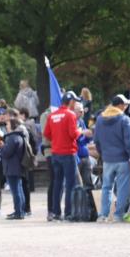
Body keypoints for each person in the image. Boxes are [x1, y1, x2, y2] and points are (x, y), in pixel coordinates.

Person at [94, 94, 130, 222]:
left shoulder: (100, 119)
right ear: (119, 105)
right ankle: (118, 215)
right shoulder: (124, 119)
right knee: (123, 187)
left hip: (108, 159)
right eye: (124, 104)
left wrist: (103, 154)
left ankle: (103, 214)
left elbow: (96, 140)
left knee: (106, 187)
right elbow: (129, 142)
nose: (125, 107)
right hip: (123, 159)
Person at [43, 91, 81, 221]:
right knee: (70, 184)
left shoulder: (52, 115)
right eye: (75, 101)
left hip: (55, 153)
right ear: (70, 102)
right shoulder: (70, 115)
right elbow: (73, 134)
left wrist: (57, 139)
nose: (75, 103)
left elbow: (46, 134)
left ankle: (56, 213)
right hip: (68, 153)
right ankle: (68, 213)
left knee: (57, 183)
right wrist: (79, 131)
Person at [0, 118, 28, 220]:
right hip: (17, 167)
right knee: (19, 190)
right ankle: (20, 211)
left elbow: (6, 153)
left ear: (12, 126)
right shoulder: (19, 136)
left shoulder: (12, 138)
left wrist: (1, 147)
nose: (6, 126)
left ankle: (18, 212)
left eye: (7, 125)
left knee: (16, 191)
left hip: (12, 168)